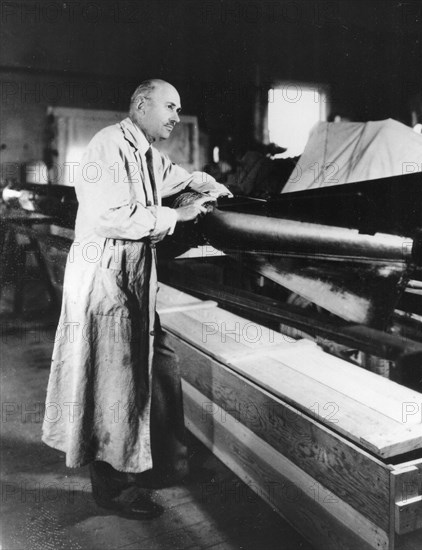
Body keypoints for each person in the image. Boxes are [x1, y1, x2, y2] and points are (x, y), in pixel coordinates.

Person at [42, 79, 232, 519]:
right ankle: (115, 488)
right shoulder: (107, 146)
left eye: (179, 108)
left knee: (161, 366)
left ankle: (164, 464)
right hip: (104, 281)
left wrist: (214, 192)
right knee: (113, 381)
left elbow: (181, 179)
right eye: (170, 106)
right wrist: (177, 214)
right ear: (142, 105)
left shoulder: (147, 153)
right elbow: (110, 215)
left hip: (132, 282)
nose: (175, 117)